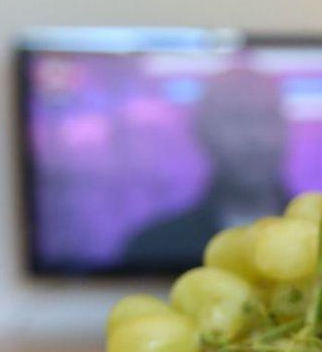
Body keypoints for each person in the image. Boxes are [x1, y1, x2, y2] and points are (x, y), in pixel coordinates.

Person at [119, 67, 290, 272]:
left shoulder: (320, 238)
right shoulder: (153, 245)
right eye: (237, 118)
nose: (255, 136)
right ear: (202, 131)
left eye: (268, 117)